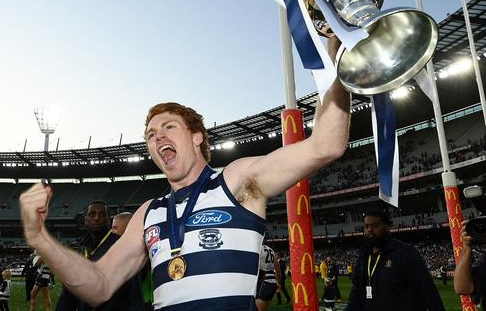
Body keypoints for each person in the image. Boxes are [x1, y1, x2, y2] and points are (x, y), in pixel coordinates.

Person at [19, 38, 350, 309]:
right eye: (150, 134)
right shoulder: (148, 214)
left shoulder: (236, 182)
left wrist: (332, 64)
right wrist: (39, 237)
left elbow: (325, 145)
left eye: (169, 127)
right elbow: (100, 284)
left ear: (196, 137)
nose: (157, 136)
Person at [345, 210, 445, 311]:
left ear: (387, 227)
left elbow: (428, 291)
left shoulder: (405, 253)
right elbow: (356, 295)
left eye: (375, 226)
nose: (369, 230)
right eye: (366, 226)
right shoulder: (363, 256)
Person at [55, 202, 144, 311]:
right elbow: (69, 294)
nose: (96, 218)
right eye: (92, 214)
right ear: (85, 219)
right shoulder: (81, 250)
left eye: (101, 214)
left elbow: (134, 294)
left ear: (108, 219)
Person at [256, 244, 280, 311]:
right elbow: (277, 267)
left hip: (263, 282)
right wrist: (279, 283)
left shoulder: (257, 248)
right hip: (272, 283)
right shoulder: (271, 250)